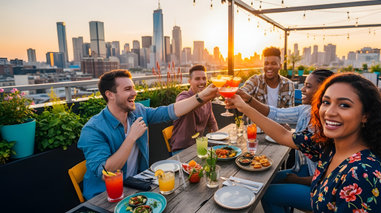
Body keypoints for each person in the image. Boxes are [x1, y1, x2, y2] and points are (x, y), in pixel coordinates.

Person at [226, 73, 381, 212]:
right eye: (326, 102)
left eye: (344, 105)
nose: (329, 112)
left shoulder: (362, 174)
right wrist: (244, 107)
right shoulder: (330, 146)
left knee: (266, 191)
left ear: (366, 115)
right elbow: (284, 135)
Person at [78, 69, 218, 199]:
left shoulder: (137, 111)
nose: (134, 93)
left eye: (133, 87)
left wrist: (202, 96)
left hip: (138, 185)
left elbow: (169, 111)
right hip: (106, 196)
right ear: (110, 95)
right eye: (128, 89)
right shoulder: (93, 129)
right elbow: (106, 173)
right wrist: (131, 137)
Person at [237, 69, 334, 212]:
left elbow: (284, 135)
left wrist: (296, 180)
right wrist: (248, 99)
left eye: (308, 86)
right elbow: (274, 113)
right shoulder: (306, 110)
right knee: (265, 180)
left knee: (267, 193)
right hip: (305, 170)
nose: (302, 89)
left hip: (320, 188)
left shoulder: (326, 127)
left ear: (322, 90)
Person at [171, 65, 218, 152]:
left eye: (204, 78)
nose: (202, 82)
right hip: (182, 149)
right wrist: (206, 97)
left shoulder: (208, 100)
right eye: (197, 79)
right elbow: (185, 107)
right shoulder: (183, 97)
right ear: (189, 81)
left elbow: (212, 123)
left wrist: (219, 140)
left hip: (198, 146)